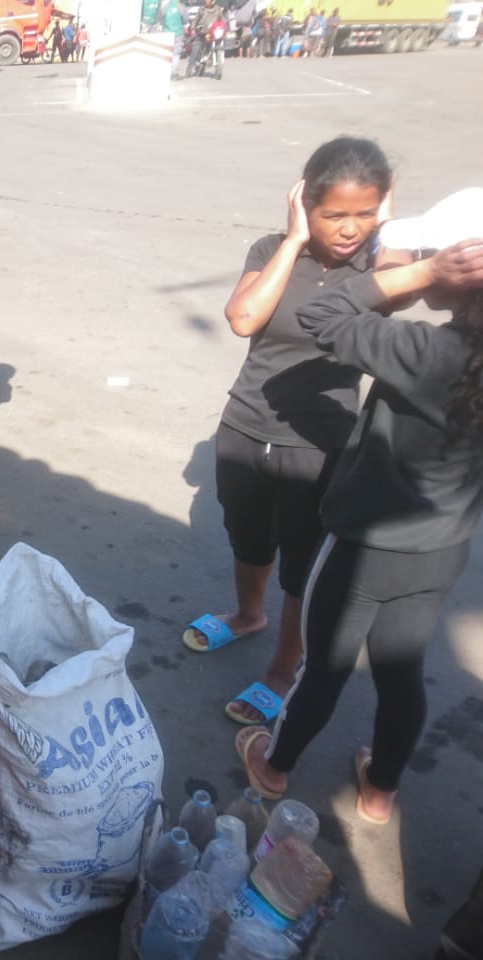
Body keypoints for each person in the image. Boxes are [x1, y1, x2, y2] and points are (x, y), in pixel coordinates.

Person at [237, 191, 483, 826]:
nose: (423, 257)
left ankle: (273, 764)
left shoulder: (430, 354)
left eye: (434, 254)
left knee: (324, 668)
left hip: (365, 548)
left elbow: (325, 311)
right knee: (403, 672)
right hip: (442, 552)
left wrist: (425, 274)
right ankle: (380, 791)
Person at [182, 138, 396, 729]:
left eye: (365, 212)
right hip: (245, 426)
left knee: (303, 562)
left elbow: (399, 295)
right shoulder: (272, 248)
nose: (350, 227)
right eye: (334, 214)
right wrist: (296, 240)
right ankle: (249, 615)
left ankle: (284, 663)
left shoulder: (380, 263)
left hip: (320, 444)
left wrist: (389, 231)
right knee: (247, 537)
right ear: (304, 202)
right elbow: (244, 318)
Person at [158, 0, 187, 78]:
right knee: (176, 55)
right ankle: (174, 74)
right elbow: (186, 21)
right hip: (178, 34)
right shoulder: (181, 7)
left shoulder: (164, 7)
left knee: (166, 54)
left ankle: (164, 72)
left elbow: (160, 20)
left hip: (166, 34)